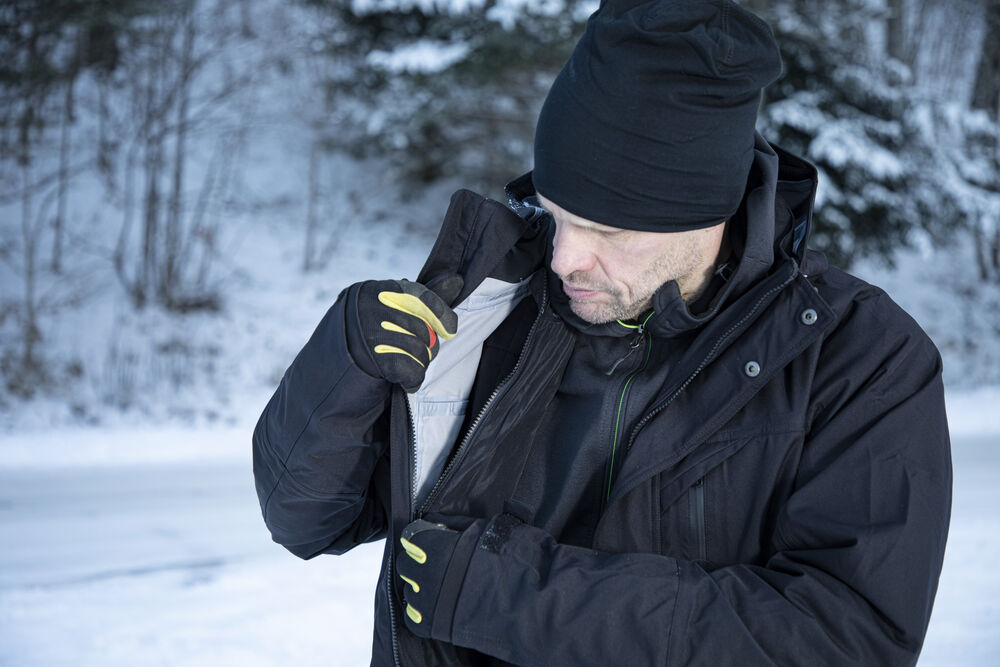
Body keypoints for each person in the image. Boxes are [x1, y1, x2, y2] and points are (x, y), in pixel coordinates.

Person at [252, 1, 952, 665]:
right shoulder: (499, 303)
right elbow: (308, 522)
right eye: (556, 214)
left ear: (705, 213)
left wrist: (513, 599)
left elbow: (845, 639)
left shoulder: (859, 358)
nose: (564, 259)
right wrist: (343, 365)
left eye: (606, 231)